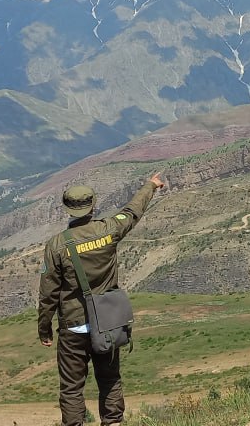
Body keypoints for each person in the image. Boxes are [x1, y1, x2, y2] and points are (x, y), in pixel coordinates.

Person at [39, 172, 166, 426]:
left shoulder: (56, 245)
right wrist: (150, 185)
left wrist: (44, 329)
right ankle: (113, 422)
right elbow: (132, 212)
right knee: (109, 379)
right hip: (107, 324)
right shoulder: (109, 230)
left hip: (73, 327)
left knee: (72, 387)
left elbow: (48, 292)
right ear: (93, 205)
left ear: (67, 209)